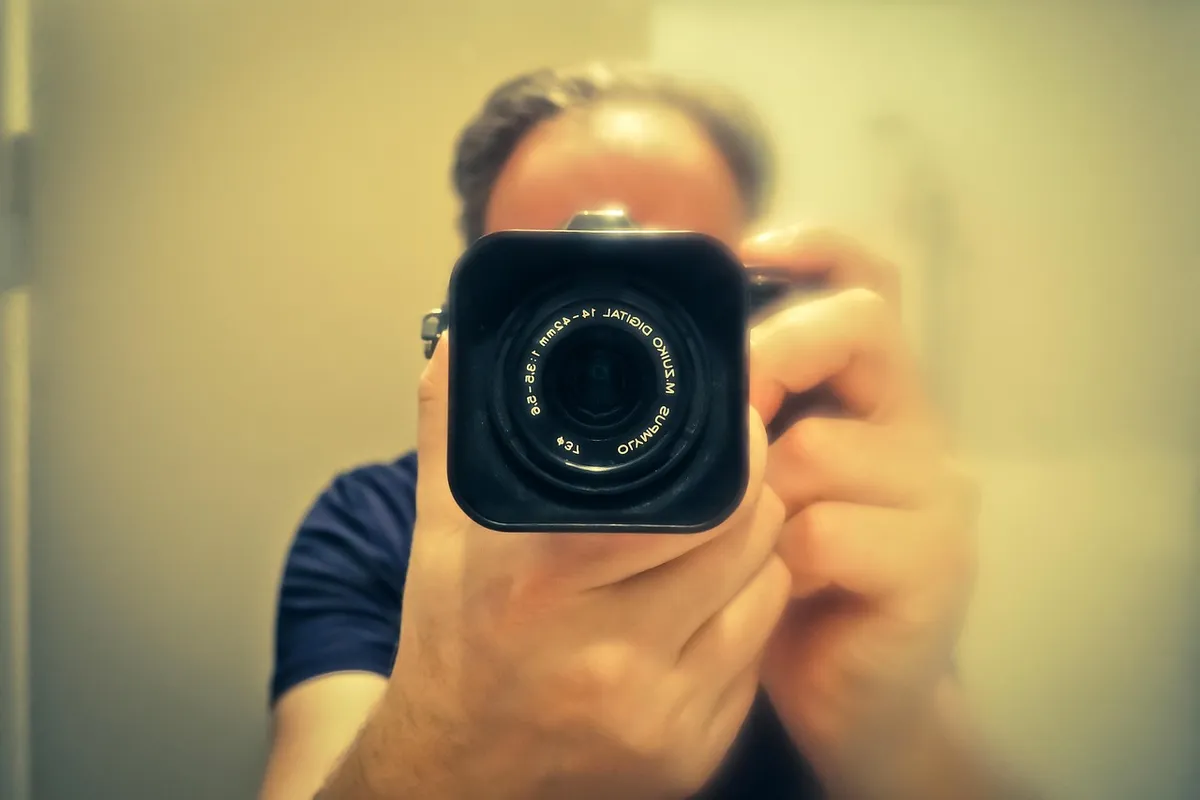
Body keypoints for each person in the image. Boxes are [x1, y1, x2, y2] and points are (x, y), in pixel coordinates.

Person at [259, 63, 1020, 799]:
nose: (610, 328)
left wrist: (893, 739)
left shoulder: (819, 527)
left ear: (752, 307)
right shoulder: (370, 525)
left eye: (663, 281)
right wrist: (440, 753)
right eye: (557, 280)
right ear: (470, 319)